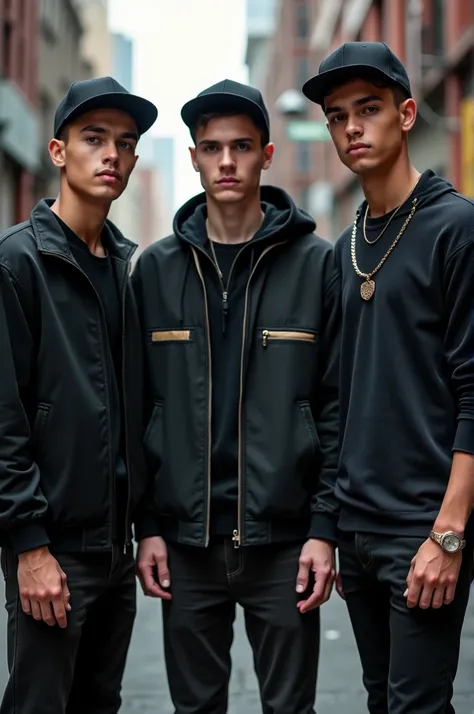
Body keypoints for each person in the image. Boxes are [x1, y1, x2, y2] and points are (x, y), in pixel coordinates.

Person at [132, 79, 340, 714]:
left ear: (267, 155)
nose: (227, 162)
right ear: (193, 157)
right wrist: (147, 528)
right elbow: (140, 405)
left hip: (284, 545)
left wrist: (323, 530)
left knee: (290, 709)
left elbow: (335, 405)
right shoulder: (157, 270)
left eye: (242, 147)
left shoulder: (316, 264)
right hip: (186, 547)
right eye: (212, 148)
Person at [302, 41, 474, 714]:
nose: (352, 128)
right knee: (384, 701)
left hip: (424, 527)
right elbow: (340, 394)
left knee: (415, 705)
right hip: (360, 529)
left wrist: (448, 534)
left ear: (406, 114)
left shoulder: (455, 228)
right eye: (338, 116)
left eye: (368, 109)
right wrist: (336, 523)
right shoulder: (347, 245)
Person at [0, 77, 157, 714]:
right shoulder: (19, 262)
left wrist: (143, 531)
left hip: (116, 555)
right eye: (94, 139)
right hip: (54, 550)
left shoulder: (123, 268)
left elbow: (133, 411)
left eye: (124, 143)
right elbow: (4, 421)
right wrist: (28, 547)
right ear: (59, 152)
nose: (111, 154)